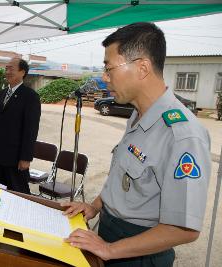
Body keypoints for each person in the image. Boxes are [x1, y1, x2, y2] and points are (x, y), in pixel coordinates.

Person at [62, 22, 211, 267]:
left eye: (109, 69)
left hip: (139, 253)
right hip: (110, 234)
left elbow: (184, 229)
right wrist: (94, 207)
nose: (104, 77)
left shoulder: (182, 135)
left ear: (142, 68)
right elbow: (124, 178)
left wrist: (109, 249)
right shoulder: (138, 114)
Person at [0, 57, 41, 194]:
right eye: (6, 68)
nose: (7, 71)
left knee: (20, 193)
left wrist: (26, 158)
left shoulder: (30, 96)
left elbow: (31, 130)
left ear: (22, 72)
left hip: (16, 158)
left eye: (11, 68)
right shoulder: (1, 94)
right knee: (2, 192)